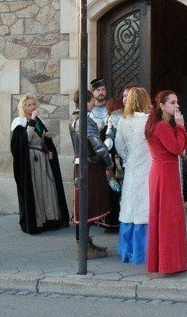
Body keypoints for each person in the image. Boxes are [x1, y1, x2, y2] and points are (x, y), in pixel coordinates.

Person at [145, 90, 187, 276]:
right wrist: (181, 126)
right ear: (162, 106)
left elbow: (178, 143)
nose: (177, 105)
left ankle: (167, 261)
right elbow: (177, 147)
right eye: (173, 102)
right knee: (169, 219)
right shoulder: (162, 126)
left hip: (163, 173)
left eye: (177, 101)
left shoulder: (161, 125)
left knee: (165, 218)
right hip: (165, 175)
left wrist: (186, 133)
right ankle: (169, 263)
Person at [10, 94, 69, 234]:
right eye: (29, 105)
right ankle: (37, 221)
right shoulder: (19, 122)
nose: (32, 107)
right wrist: (32, 121)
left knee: (47, 188)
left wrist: (45, 138)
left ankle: (50, 220)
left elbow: (40, 138)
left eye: (33, 104)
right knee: (35, 189)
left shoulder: (38, 121)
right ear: (23, 107)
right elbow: (24, 141)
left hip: (42, 159)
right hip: (30, 161)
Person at [70, 88, 113, 258]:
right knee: (86, 205)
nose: (94, 102)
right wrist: (109, 165)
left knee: (83, 205)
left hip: (81, 166)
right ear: (87, 101)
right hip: (89, 166)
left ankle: (85, 244)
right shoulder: (84, 121)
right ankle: (84, 249)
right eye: (92, 100)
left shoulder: (74, 118)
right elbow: (98, 146)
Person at [113, 86, 152, 264]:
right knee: (144, 208)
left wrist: (128, 159)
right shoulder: (149, 121)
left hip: (131, 167)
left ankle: (126, 250)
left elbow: (119, 145)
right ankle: (142, 252)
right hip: (148, 168)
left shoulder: (123, 121)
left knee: (129, 209)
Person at [89, 77, 121, 232]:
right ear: (93, 92)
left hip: (111, 153)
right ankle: (96, 218)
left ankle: (113, 220)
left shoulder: (112, 108)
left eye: (103, 89)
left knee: (113, 187)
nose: (101, 92)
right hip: (95, 155)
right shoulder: (89, 111)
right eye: (98, 90)